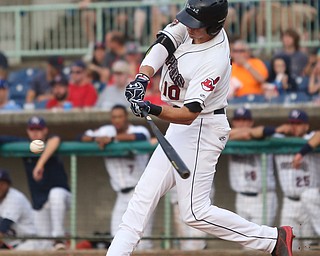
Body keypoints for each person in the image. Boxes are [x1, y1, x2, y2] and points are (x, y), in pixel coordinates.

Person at [106, 1, 294, 255]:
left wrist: (151, 108)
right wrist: (142, 77)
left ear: (215, 26)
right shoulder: (193, 25)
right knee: (140, 202)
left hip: (202, 126)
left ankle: (272, 239)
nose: (190, 28)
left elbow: (189, 115)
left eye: (198, 26)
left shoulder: (213, 59)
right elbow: (163, 45)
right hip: (179, 124)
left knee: (195, 213)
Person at [81, 105, 154, 250]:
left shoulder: (138, 130)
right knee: (117, 239)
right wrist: (99, 138)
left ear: (126, 117)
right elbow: (81, 137)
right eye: (114, 117)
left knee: (143, 242)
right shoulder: (105, 131)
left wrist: (112, 139)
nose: (117, 120)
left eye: (120, 116)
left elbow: (141, 137)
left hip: (140, 193)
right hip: (121, 195)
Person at [273, 109, 320, 251]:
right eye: (292, 123)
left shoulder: (311, 137)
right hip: (289, 202)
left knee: (309, 247)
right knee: (286, 246)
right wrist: (277, 129)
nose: (295, 126)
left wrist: (301, 153)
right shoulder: (278, 139)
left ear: (306, 126)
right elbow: (252, 133)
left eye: (299, 123)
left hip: (309, 200)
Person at [23, 116, 71, 250]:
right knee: (43, 245)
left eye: (39, 129)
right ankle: (55, 243)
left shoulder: (51, 142)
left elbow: (55, 139)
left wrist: (40, 164)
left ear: (45, 130)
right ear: (28, 131)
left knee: (56, 194)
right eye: (32, 129)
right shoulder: (24, 145)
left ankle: (58, 237)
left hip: (63, 197)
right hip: (40, 203)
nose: (36, 132)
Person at [228, 107, 278, 227]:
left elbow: (266, 131)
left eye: (245, 120)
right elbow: (223, 134)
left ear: (251, 122)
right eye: (238, 120)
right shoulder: (225, 136)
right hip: (241, 197)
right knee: (244, 242)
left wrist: (248, 133)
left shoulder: (262, 136)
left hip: (263, 197)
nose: (242, 123)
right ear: (234, 122)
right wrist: (243, 133)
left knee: (260, 241)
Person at [0, 169, 38, 250]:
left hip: (29, 243)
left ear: (9, 185)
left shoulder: (15, 198)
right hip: (13, 246)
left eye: (2, 184)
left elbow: (3, 227)